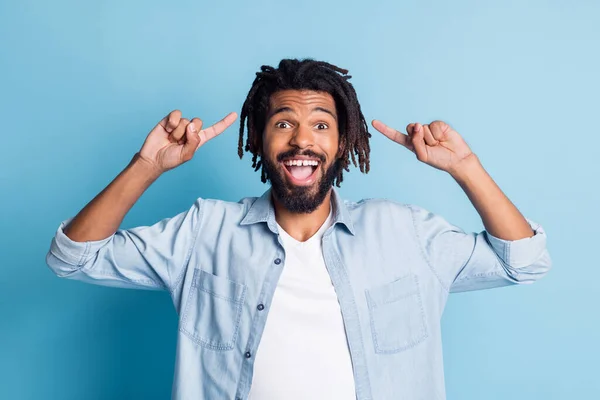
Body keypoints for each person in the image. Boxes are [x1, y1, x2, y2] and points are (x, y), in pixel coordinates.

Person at [46, 59, 551, 400]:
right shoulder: (206, 232)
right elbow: (74, 256)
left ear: (344, 142)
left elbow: (523, 261)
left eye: (322, 125)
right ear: (260, 139)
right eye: (284, 123)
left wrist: (466, 168)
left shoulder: (405, 233)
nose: (302, 139)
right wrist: (146, 166)